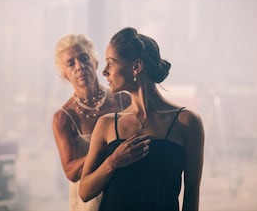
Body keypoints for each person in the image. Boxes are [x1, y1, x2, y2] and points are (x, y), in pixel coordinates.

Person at [79, 27, 205, 211]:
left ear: (136, 67)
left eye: (111, 63)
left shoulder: (187, 122)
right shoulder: (106, 124)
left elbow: (192, 193)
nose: (104, 72)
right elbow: (84, 192)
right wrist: (112, 162)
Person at [52, 33, 130, 211]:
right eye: (70, 63)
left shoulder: (123, 101)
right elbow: (71, 172)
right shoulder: (64, 117)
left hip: (124, 191)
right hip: (90, 199)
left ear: (95, 62)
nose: (79, 66)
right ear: (64, 74)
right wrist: (106, 152)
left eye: (84, 58)